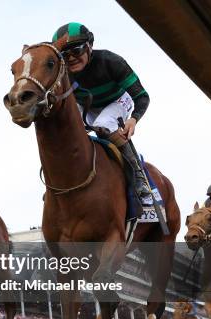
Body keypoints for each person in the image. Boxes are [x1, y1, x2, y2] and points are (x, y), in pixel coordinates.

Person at [53, 22, 152, 201]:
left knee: (103, 123)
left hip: (118, 100)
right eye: (64, 55)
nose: (71, 58)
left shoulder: (111, 61)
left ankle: (138, 176)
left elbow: (142, 97)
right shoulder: (62, 73)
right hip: (88, 105)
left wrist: (133, 120)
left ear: (90, 46)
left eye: (76, 50)